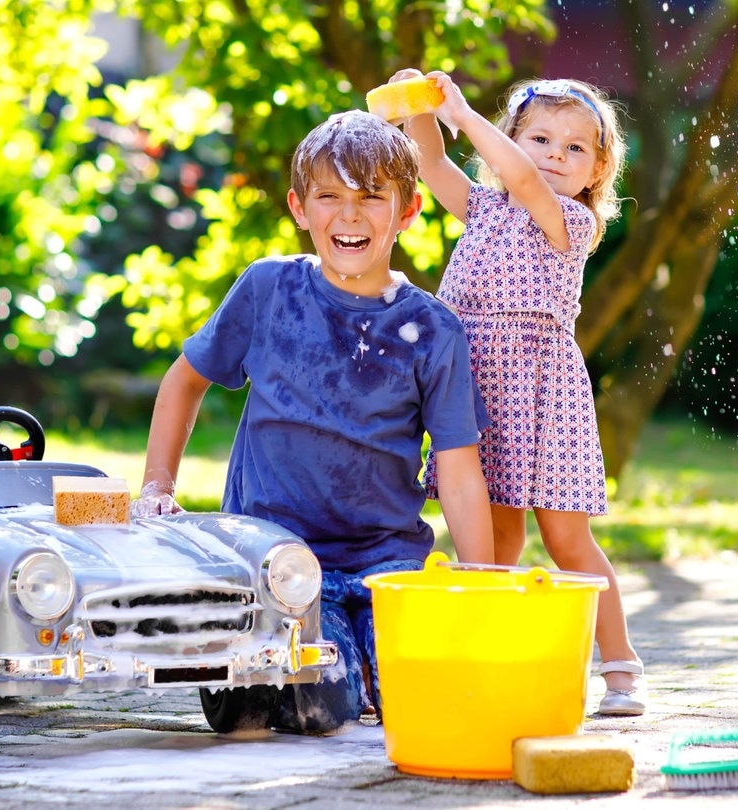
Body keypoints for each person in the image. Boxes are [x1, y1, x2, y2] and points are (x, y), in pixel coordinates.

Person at [131, 109, 495, 734]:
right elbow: (182, 382)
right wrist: (156, 489)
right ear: (301, 207)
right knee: (327, 705)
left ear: (407, 212)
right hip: (284, 563)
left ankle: (340, 661)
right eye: (330, 197)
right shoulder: (268, 289)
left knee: (420, 695)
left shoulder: (434, 329)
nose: (349, 215)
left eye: (371, 197)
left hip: (389, 562)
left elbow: (459, 473)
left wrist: (484, 590)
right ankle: (244, 672)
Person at [389, 70, 647, 716]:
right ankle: (492, 656)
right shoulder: (483, 207)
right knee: (492, 541)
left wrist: (464, 113)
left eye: (574, 148)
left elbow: (526, 181)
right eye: (539, 138)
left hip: (539, 389)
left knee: (565, 539)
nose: (554, 155)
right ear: (510, 142)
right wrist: (420, 106)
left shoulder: (570, 221)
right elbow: (433, 162)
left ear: (596, 170)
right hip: (476, 382)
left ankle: (620, 666)